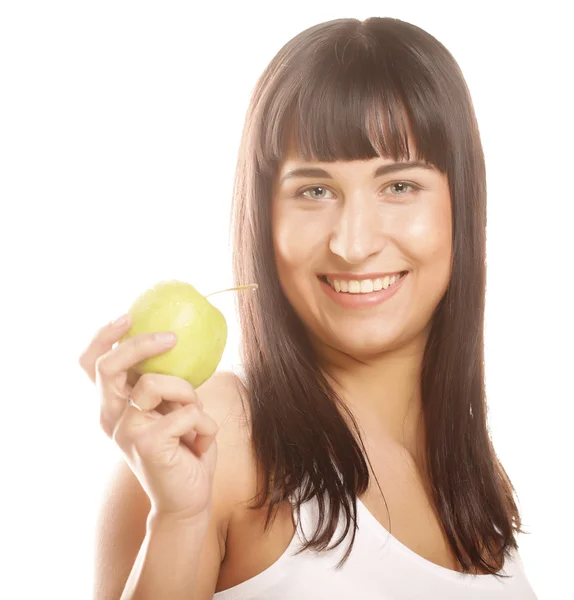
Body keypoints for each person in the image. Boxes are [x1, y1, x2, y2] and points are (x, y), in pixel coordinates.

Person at [79, 16, 539, 599]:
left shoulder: (477, 480)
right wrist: (179, 520)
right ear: (264, 218)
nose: (353, 243)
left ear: (461, 207)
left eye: (398, 186)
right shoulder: (213, 435)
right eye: (314, 191)